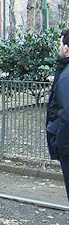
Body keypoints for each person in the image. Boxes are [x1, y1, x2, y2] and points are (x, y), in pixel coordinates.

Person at [46, 29, 69, 201]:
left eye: (60, 44)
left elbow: (65, 114)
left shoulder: (65, 77)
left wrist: (58, 142)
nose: (59, 48)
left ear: (66, 48)